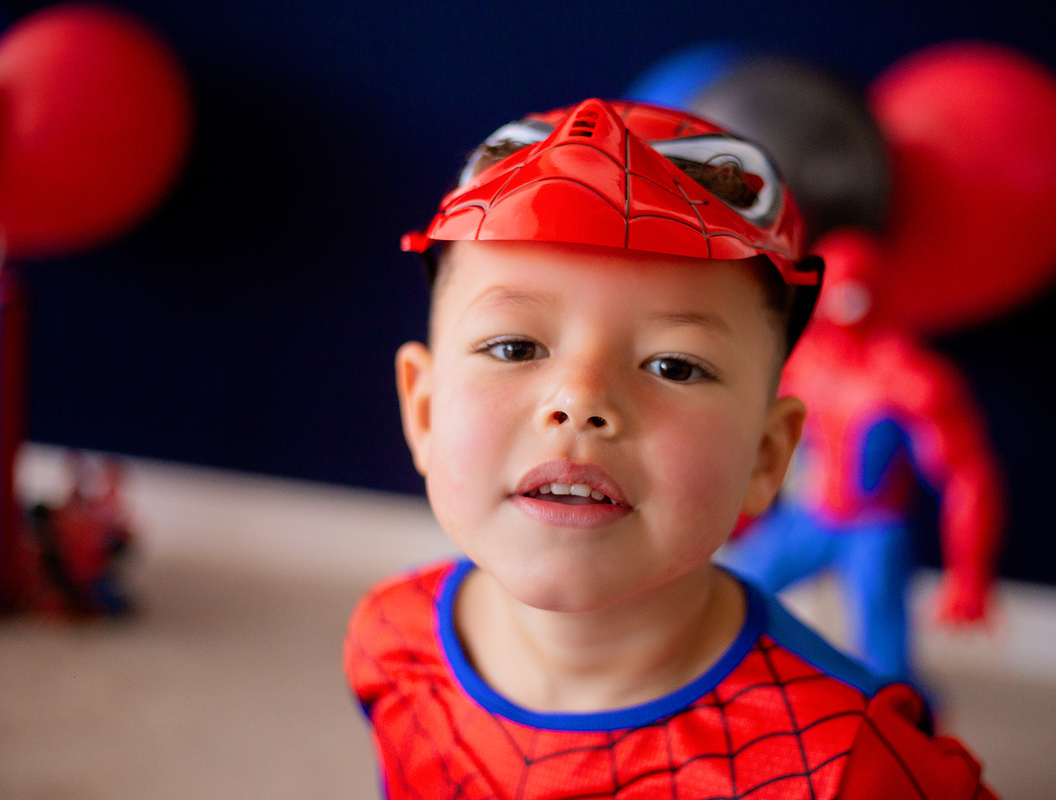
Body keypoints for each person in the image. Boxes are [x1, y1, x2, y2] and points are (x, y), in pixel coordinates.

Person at [344, 98, 997, 799]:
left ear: (767, 457)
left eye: (673, 366)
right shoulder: (392, 639)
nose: (580, 400)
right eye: (514, 346)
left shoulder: (853, 762)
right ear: (425, 409)